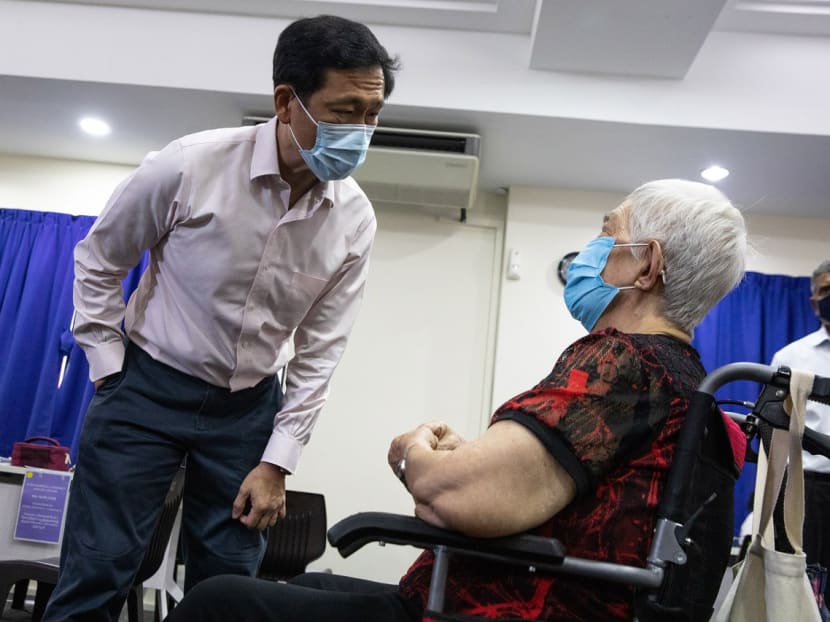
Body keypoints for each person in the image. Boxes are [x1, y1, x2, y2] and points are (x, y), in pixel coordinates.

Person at [164, 179, 748, 622]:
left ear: (646, 264)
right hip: (531, 599)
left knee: (218, 602)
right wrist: (475, 461)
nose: (592, 250)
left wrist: (415, 453)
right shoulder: (681, 379)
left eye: (608, 233)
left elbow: (456, 497)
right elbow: (570, 499)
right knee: (309, 588)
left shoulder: (624, 363)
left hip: (503, 609)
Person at [43, 15, 399, 622]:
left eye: (373, 113)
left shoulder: (354, 220)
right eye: (344, 111)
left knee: (231, 586)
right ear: (287, 102)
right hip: (146, 389)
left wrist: (278, 461)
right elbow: (99, 260)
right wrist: (108, 369)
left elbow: (320, 352)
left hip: (248, 412)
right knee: (98, 570)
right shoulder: (188, 166)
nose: (362, 131)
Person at [770, 259, 830, 606]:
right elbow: (772, 431)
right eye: (826, 290)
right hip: (806, 491)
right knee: (804, 588)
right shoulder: (791, 357)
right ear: (813, 301)